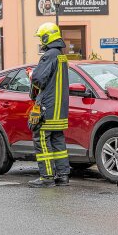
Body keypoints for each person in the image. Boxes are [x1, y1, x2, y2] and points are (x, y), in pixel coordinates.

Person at [27, 22, 70, 188]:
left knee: (42, 141)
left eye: (41, 38)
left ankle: (47, 177)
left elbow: (38, 79)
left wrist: (31, 74)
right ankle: (63, 175)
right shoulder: (61, 56)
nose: (41, 41)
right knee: (58, 142)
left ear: (47, 37)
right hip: (60, 110)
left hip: (47, 108)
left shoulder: (49, 55)